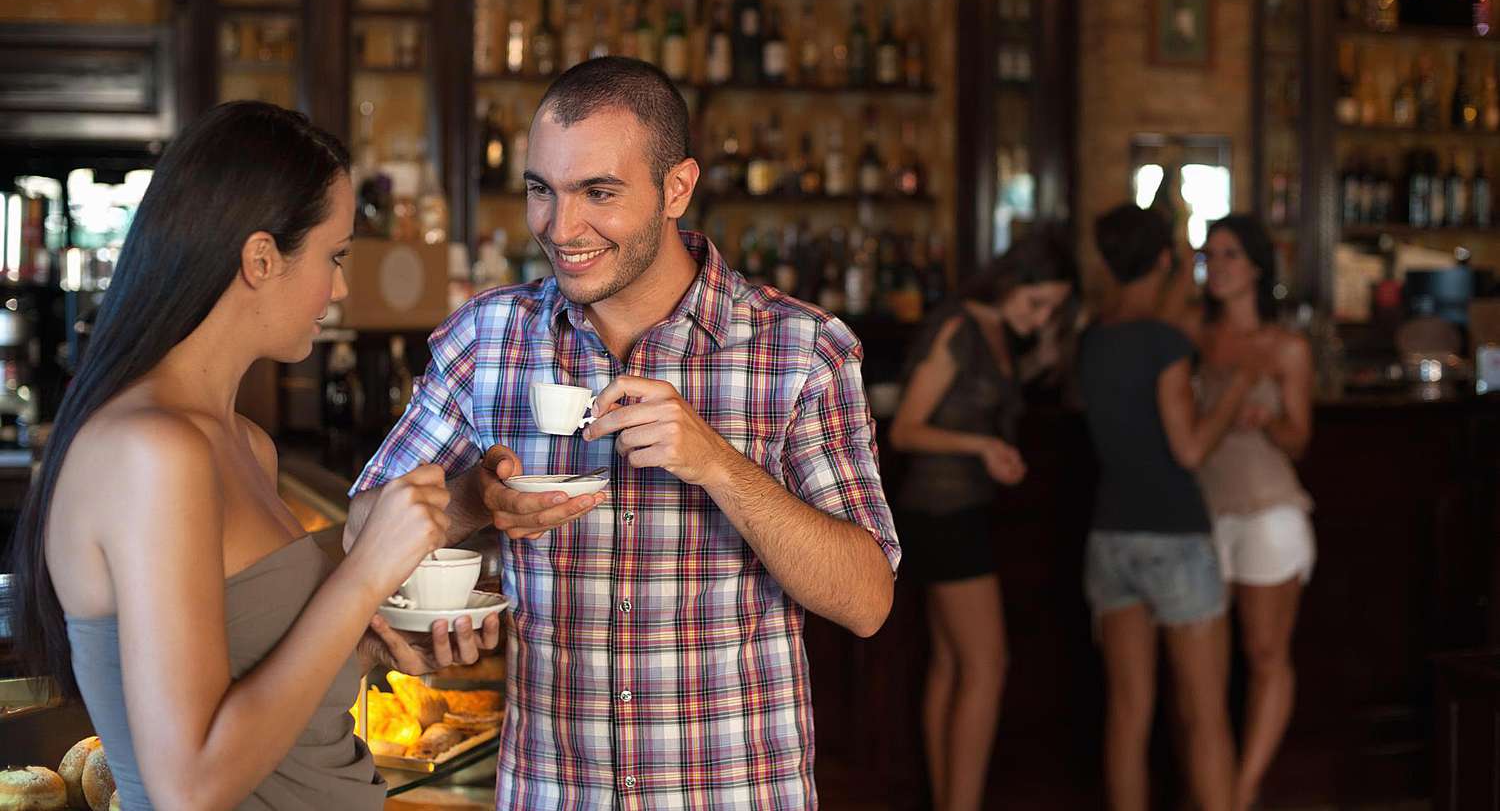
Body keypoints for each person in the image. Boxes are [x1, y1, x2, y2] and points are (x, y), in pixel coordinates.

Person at [343, 57, 901, 809]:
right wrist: (475, 501)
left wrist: (717, 464)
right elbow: (359, 531)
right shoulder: (487, 338)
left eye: (598, 193)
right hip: (552, 791)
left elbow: (866, 600)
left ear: (677, 188)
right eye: (542, 190)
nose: (560, 228)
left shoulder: (800, 350)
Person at [9, 101, 501, 810]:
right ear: (261, 257)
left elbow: (262, 682)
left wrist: (374, 636)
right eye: (334, 256)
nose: (339, 286)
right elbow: (191, 786)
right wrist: (363, 573)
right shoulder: (150, 452)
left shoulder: (245, 445)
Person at [887, 227, 1076, 811]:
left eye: (1052, 310)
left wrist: (1044, 356)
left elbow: (992, 395)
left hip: (957, 508)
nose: (1041, 318)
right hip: (941, 512)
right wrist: (982, 447)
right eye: (1037, 303)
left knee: (953, 664)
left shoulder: (996, 331)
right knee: (987, 666)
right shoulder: (958, 327)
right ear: (1012, 281)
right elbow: (904, 429)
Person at [1076, 203, 1252, 811]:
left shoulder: (1093, 340)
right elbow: (1190, 449)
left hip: (1109, 537)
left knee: (1127, 715)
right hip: (1174, 534)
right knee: (1204, 716)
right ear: (1164, 259)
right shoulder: (1164, 342)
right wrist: (1236, 391)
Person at [1195, 214, 1315, 811]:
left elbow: (1300, 441)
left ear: (1257, 267)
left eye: (1231, 255)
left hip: (1269, 511)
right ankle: (1216, 790)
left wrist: (1269, 421)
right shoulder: (1192, 336)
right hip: (1202, 514)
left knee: (1265, 655)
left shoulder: (1287, 347)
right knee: (1203, 672)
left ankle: (1242, 794)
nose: (1217, 266)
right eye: (1210, 255)